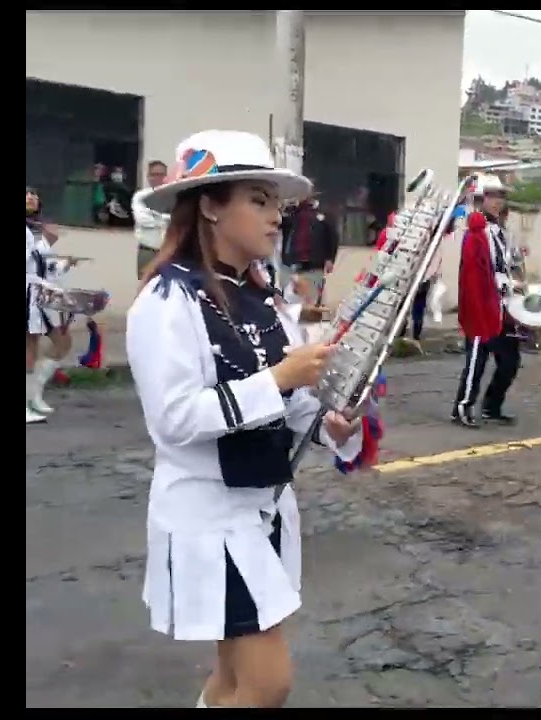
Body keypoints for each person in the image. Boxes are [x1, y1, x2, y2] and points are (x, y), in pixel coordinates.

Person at [126, 130, 382, 708]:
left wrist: (331, 426)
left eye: (278, 206)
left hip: (264, 509)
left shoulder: (264, 300)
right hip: (208, 517)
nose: (275, 220)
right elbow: (175, 419)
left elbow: (294, 407)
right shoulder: (167, 301)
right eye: (259, 201)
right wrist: (280, 379)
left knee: (233, 680)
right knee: (267, 685)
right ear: (212, 205)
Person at [451, 174, 521, 428]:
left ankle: (492, 406)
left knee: (510, 360)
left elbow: (506, 267)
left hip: (502, 307)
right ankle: (462, 407)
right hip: (483, 306)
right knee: (477, 361)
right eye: (491, 196)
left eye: (500, 196)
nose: (497, 201)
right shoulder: (476, 232)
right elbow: (477, 274)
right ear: (481, 199)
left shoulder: (500, 233)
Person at [26, 187, 75, 424]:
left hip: (39, 298)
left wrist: (64, 264)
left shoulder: (34, 230)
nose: (31, 197)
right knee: (29, 350)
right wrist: (46, 242)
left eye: (35, 194)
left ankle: (34, 396)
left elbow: (44, 268)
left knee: (62, 342)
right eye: (26, 194)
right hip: (29, 295)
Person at [279, 190, 340, 306]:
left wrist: (330, 258)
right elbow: (279, 224)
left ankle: (311, 310)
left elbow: (332, 236)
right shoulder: (291, 213)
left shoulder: (323, 214)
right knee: (290, 296)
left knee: (311, 296)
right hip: (292, 260)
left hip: (314, 262)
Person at [133, 159, 171, 278]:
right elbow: (142, 220)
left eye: (161, 174)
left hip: (169, 251)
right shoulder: (141, 196)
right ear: (148, 177)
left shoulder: (173, 196)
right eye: (154, 174)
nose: (158, 178)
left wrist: (154, 215)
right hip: (148, 251)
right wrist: (165, 219)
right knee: (146, 289)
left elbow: (177, 219)